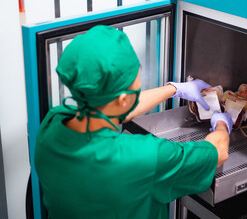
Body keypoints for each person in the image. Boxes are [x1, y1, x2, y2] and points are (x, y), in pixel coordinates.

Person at [34, 25, 233, 219]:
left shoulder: (52, 124)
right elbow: (218, 152)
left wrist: (174, 89)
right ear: (121, 99)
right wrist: (221, 122)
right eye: (137, 83)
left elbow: (108, 110)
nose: (139, 87)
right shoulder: (145, 157)